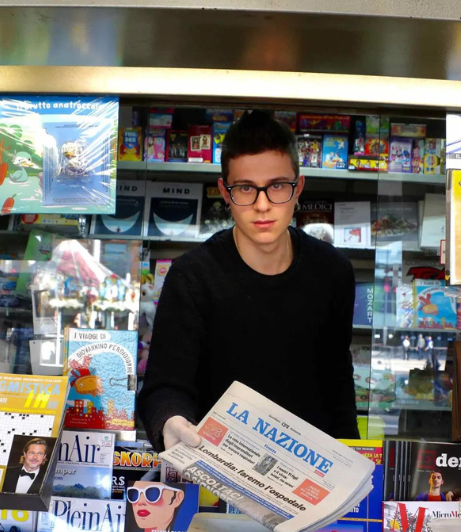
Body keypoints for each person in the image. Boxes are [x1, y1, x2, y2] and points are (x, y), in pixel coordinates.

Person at [138, 110, 358, 450]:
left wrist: (353, 468)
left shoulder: (333, 272)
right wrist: (171, 419)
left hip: (310, 480)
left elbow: (338, 385)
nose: (262, 205)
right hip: (217, 472)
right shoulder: (191, 277)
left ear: (298, 188)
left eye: (277, 187)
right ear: (225, 193)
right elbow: (165, 386)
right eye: (245, 188)